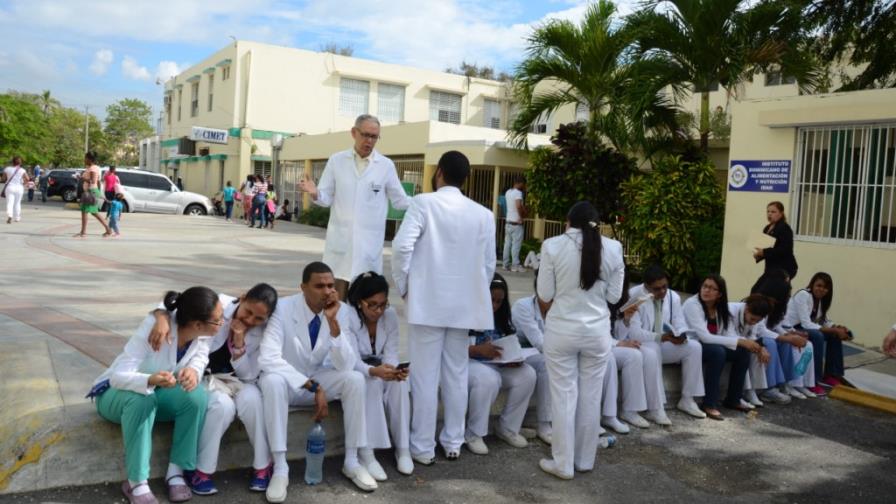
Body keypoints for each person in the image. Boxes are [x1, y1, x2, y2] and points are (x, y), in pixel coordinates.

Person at [391, 150, 496, 464]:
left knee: (424, 375)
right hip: (464, 306)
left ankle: (422, 447)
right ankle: (453, 441)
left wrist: (406, 287)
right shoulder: (483, 214)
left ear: (439, 173)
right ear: (465, 178)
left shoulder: (423, 203)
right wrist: (472, 291)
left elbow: (401, 247)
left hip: (428, 303)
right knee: (456, 373)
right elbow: (489, 265)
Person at [86, 287, 220, 504]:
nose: (222, 322)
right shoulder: (154, 327)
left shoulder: (203, 334)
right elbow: (118, 376)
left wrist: (193, 372)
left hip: (157, 393)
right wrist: (149, 380)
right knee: (142, 399)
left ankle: (175, 472)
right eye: (218, 320)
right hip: (115, 394)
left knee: (196, 396)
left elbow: (201, 356)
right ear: (197, 324)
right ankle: (136, 483)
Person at [258, 261, 375, 501]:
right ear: (303, 287)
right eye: (319, 286)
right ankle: (280, 467)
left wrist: (333, 325)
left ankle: (352, 461)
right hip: (290, 383)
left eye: (331, 285)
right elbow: (268, 358)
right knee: (271, 381)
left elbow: (345, 364)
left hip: (318, 377)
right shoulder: (282, 307)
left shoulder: (340, 310)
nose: (327, 291)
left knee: (354, 379)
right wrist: (311, 385)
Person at [148, 284, 279, 496]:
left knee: (253, 400)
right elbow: (173, 303)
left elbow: (248, 375)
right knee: (222, 406)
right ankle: (202, 470)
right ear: (242, 297)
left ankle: (263, 466)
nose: (250, 320)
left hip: (238, 380)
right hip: (205, 378)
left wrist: (239, 343)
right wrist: (161, 318)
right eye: (248, 312)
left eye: (258, 319)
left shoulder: (263, 331)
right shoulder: (219, 305)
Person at [535, 201, 624, 480]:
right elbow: (613, 297)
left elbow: (545, 293)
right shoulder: (614, 248)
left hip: (561, 330)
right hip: (597, 332)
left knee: (564, 396)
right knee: (590, 396)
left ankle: (563, 463)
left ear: (568, 221)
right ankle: (585, 460)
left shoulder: (552, 245)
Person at [300, 114, 410, 298]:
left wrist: (426, 203)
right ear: (354, 133)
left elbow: (400, 200)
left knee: (364, 307)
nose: (369, 141)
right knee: (336, 304)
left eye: (374, 137)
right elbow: (325, 198)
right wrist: (315, 192)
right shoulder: (337, 161)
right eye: (365, 135)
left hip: (368, 249)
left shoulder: (385, 166)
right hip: (340, 248)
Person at [345, 272, 413, 477]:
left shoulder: (389, 316)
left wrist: (392, 371)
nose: (378, 310)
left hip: (377, 367)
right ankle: (368, 453)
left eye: (383, 304)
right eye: (372, 304)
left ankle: (403, 448)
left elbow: (391, 351)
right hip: (353, 370)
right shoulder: (346, 316)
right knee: (371, 384)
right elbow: (351, 359)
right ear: (359, 302)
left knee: (400, 383)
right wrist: (374, 372)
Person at [465, 274, 536, 455]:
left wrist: (513, 358)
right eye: (492, 300)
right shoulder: (467, 313)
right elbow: (451, 349)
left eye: (499, 301)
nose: (495, 305)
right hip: (469, 363)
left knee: (527, 374)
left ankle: (508, 428)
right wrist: (477, 350)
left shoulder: (502, 316)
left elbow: (508, 342)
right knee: (489, 379)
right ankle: (474, 433)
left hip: (496, 363)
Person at [627, 265, 706, 420]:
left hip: (664, 342)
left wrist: (680, 334)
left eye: (665, 286)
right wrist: (662, 337)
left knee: (695, 347)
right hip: (643, 344)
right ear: (646, 286)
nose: (663, 292)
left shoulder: (672, 296)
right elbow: (634, 333)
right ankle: (655, 408)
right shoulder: (634, 296)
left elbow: (679, 321)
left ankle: (687, 400)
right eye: (657, 289)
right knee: (653, 348)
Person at [784, 272, 853, 395]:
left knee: (834, 335)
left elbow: (824, 320)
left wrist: (837, 328)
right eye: (819, 285)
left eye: (825, 287)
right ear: (812, 284)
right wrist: (834, 330)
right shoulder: (803, 295)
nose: (822, 289)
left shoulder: (819, 300)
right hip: (791, 328)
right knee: (817, 336)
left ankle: (832, 374)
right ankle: (814, 380)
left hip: (802, 327)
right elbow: (806, 323)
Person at [752, 273, 816, 400]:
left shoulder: (777, 307)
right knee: (773, 343)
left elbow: (777, 325)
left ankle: (786, 382)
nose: (788, 298)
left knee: (790, 343)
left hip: (767, 335)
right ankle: (769, 388)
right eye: (786, 295)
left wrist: (790, 335)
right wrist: (786, 337)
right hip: (754, 337)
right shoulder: (760, 302)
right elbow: (760, 329)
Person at [608, 277, 662, 429]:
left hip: (613, 342)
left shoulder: (621, 298)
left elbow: (618, 332)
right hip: (600, 344)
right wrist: (619, 343)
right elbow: (597, 331)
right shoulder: (598, 295)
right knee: (633, 355)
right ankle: (629, 410)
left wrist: (626, 319)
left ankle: (655, 408)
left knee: (649, 353)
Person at [511, 272, 554, 444]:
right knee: (547, 364)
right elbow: (540, 342)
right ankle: (544, 423)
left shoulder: (559, 308)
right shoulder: (523, 306)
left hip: (545, 352)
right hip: (520, 353)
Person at [753, 201, 798, 280]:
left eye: (773, 212)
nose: (770, 214)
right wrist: (759, 255)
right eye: (768, 211)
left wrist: (764, 252)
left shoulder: (784, 228)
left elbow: (785, 250)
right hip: (771, 267)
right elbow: (765, 247)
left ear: (781, 213)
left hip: (784, 267)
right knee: (757, 289)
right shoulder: (767, 228)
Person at [75, 151, 112, 238]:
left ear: (90, 159)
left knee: (88, 212)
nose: (84, 160)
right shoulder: (92, 168)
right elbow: (97, 182)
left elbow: (93, 181)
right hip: (91, 191)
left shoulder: (93, 168)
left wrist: (81, 178)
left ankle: (84, 232)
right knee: (91, 212)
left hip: (91, 191)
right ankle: (107, 229)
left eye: (86, 158)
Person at [502, 176, 526, 272]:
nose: (524, 186)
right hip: (516, 223)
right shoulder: (518, 193)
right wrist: (521, 217)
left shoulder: (508, 192)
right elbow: (518, 206)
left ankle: (505, 264)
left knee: (507, 244)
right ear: (520, 183)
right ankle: (515, 265)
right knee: (516, 245)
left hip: (508, 222)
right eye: (523, 184)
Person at [2, 156, 29, 224]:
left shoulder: (7, 169)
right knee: (17, 203)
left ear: (12, 162)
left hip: (10, 187)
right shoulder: (22, 170)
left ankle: (10, 215)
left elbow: (3, 179)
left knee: (9, 203)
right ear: (20, 163)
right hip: (19, 188)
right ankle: (17, 217)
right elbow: (27, 178)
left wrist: (6, 179)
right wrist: (24, 183)